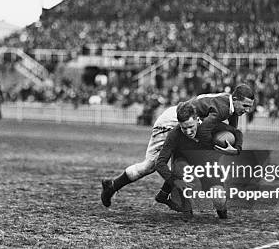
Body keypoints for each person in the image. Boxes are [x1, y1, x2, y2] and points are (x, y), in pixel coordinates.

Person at [101, 84, 255, 208]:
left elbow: (233, 133)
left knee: (186, 157)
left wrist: (236, 149)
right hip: (172, 121)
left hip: (186, 120)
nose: (247, 110)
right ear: (235, 99)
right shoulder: (222, 108)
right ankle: (114, 185)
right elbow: (203, 132)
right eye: (245, 105)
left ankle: (162, 192)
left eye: (250, 107)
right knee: (150, 166)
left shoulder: (230, 106)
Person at [154, 101, 244, 218]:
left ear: (197, 119)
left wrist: (236, 149)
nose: (188, 132)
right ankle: (181, 200)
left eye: (191, 127)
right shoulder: (174, 135)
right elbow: (160, 163)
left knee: (219, 199)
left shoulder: (209, 126)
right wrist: (175, 181)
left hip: (207, 167)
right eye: (183, 128)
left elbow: (237, 133)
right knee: (180, 168)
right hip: (185, 169)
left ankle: (222, 212)